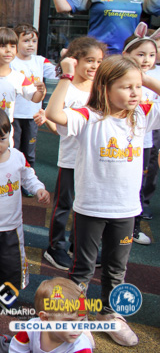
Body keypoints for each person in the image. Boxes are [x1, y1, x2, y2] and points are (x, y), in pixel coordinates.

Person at [45, 54, 160, 347]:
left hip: (126, 210)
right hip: (91, 208)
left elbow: (144, 91)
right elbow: (53, 113)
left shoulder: (142, 115)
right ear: (105, 88)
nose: (134, 93)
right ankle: (75, 316)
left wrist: (144, 78)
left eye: (137, 87)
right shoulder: (89, 117)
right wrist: (66, 76)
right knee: (82, 268)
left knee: (116, 268)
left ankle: (111, 313)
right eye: (126, 87)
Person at [0, 107, 50, 311]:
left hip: (12, 226)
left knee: (11, 264)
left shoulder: (17, 157)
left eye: (2, 139)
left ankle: (4, 294)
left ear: (10, 134)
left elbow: (28, 176)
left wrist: (38, 189)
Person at [38, 37, 105, 271]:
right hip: (71, 158)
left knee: (87, 203)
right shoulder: (67, 88)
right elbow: (57, 124)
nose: (94, 66)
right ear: (75, 61)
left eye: (99, 61)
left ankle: (78, 245)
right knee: (64, 204)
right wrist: (47, 120)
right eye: (90, 60)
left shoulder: (100, 89)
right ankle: (55, 246)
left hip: (95, 159)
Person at [0, 277, 94, 353]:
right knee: (5, 343)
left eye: (82, 321)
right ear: (45, 318)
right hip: (26, 348)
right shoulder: (32, 328)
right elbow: (16, 350)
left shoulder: (81, 348)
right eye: (69, 321)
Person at [121, 23, 160, 245]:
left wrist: (148, 81)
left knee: (139, 183)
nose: (147, 60)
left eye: (152, 55)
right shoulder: (118, 76)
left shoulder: (154, 78)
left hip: (144, 142)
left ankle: (133, 228)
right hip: (118, 140)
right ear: (126, 54)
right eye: (141, 54)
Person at [0, 27, 45, 129]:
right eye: (2, 46)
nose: (8, 50)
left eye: (12, 46)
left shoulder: (19, 77)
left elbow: (34, 98)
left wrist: (41, 91)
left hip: (5, 128)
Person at [8, 24, 57, 166]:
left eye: (34, 41)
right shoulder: (10, 62)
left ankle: (29, 178)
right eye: (26, 41)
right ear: (16, 42)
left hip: (32, 115)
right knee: (14, 149)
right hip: (15, 113)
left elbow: (57, 73)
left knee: (29, 151)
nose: (31, 45)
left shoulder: (40, 61)